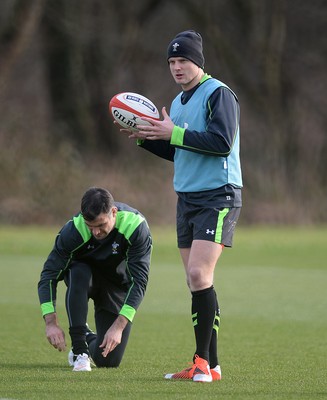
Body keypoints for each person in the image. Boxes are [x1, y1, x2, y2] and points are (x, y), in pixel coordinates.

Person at [120, 30, 242, 382]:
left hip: (218, 195)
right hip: (186, 198)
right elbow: (179, 150)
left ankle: (202, 361)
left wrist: (172, 132)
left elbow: (221, 142)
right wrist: (147, 137)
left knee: (198, 275)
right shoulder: (177, 103)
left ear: (198, 62)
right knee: (197, 283)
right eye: (172, 61)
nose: (176, 67)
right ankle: (210, 365)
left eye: (183, 60)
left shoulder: (218, 94)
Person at [37, 187, 152, 372]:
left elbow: (139, 282)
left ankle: (87, 336)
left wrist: (118, 326)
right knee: (79, 271)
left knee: (108, 360)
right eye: (91, 226)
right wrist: (50, 323)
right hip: (84, 281)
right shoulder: (74, 230)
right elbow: (48, 276)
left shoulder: (135, 227)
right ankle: (79, 351)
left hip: (116, 286)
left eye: (100, 225)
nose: (95, 232)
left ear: (113, 212)